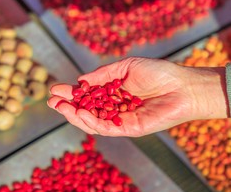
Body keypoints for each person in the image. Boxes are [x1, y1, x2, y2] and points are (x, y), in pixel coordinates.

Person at [47, 57, 229, 137]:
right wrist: (194, 89)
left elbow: (111, 101)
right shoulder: (115, 99)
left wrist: (193, 90)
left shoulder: (115, 99)